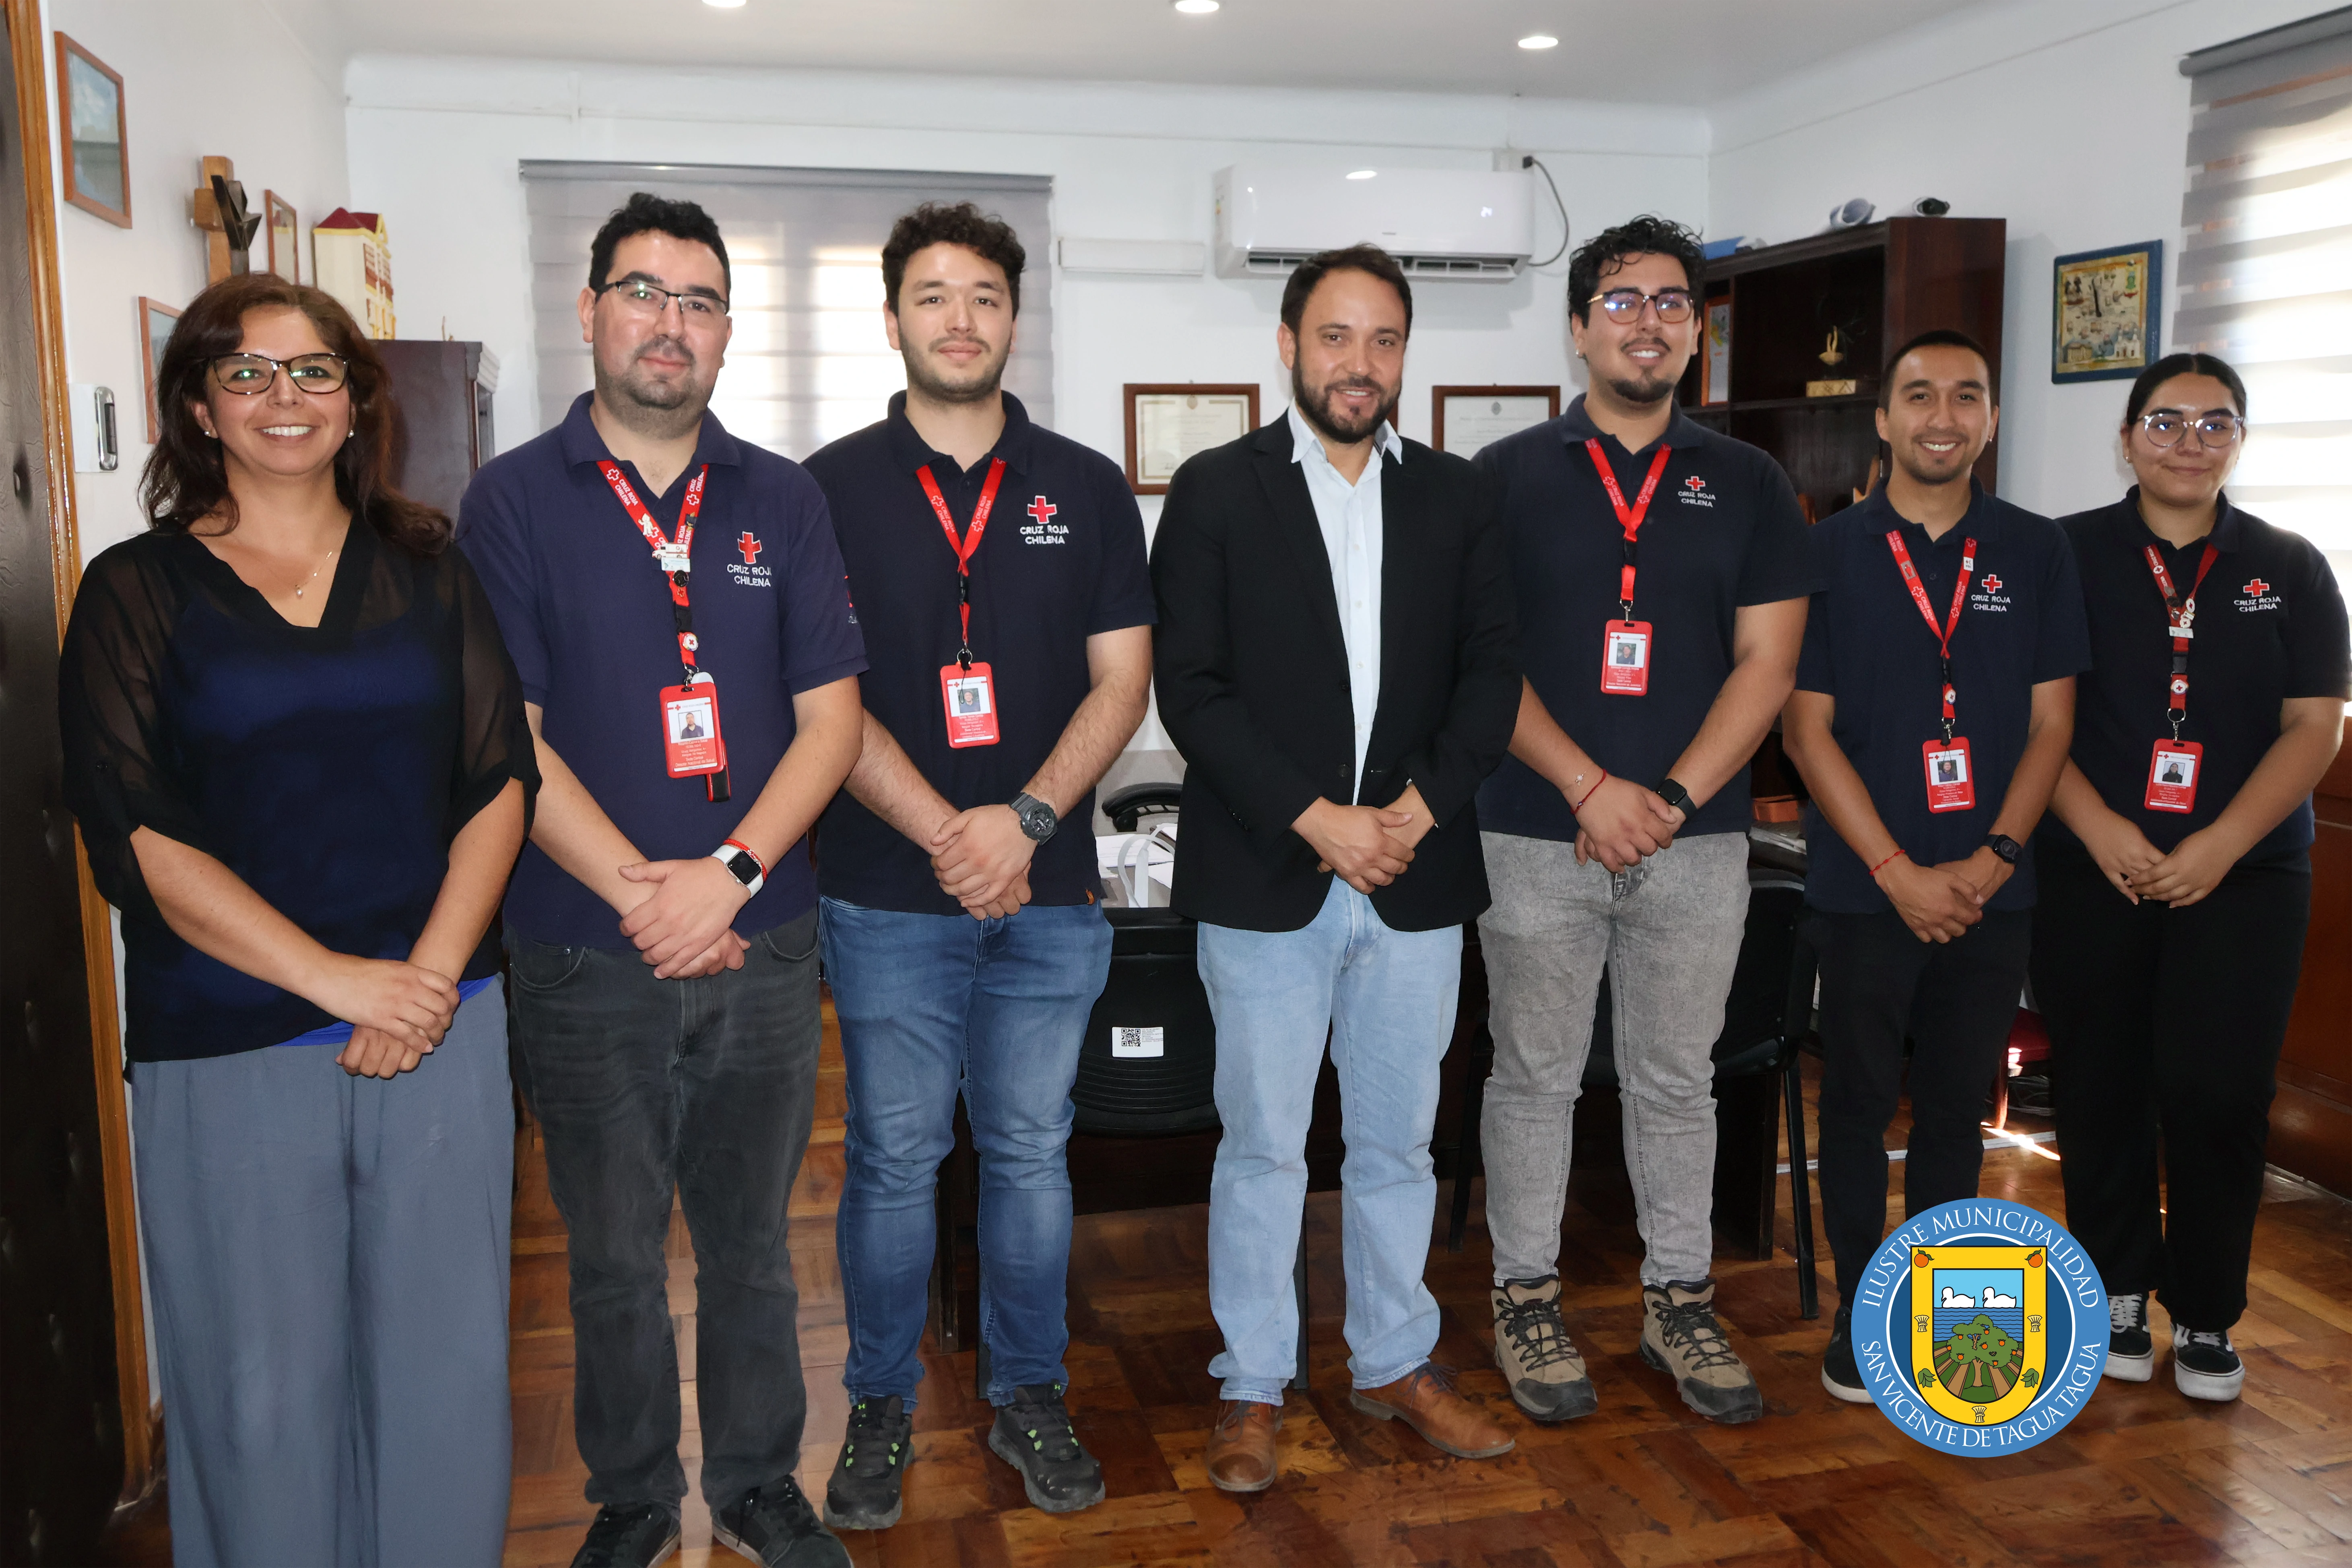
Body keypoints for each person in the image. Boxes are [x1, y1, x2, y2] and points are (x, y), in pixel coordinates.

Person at [57, 274, 536, 1568]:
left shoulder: (432, 572)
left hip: (443, 1026)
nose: (285, 397)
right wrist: (340, 983)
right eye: (249, 372)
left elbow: (500, 779)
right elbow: (137, 833)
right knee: (260, 1394)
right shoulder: (134, 593)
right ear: (199, 405)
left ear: (356, 400)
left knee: (443, 1376)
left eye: (315, 370)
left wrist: (423, 981)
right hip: (230, 1041)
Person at [458, 193, 866, 1568]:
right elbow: (505, 736)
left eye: (697, 301)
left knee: (756, 1243)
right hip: (583, 948)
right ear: (588, 312)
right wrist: (652, 894)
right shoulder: (510, 499)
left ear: (727, 333)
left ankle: (759, 1483)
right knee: (616, 1256)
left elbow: (832, 722)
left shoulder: (783, 497)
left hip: (762, 942)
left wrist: (731, 877)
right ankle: (633, 1496)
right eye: (642, 292)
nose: (668, 323)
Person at [801, 202, 1153, 1529]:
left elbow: (1124, 683)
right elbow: (816, 690)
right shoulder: (820, 488)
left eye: (986, 297)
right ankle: (881, 1405)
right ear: (892, 319)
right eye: (934, 297)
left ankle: (1027, 1395)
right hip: (885, 893)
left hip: (1050, 894)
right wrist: (952, 835)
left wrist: (1027, 822)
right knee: (892, 1159)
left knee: (1028, 1153)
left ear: (1015, 317)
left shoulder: (1083, 485)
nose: (961, 320)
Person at [1151, 244, 1519, 1492]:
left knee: (1398, 1144)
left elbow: (1491, 679)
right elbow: (1190, 690)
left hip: (1416, 877)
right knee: (1260, 1145)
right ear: (1286, 345)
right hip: (1269, 876)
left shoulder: (1460, 500)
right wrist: (1321, 819)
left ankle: (1393, 1360)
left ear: (1406, 355)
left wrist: (1410, 814)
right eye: (1335, 337)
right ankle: (1251, 1385)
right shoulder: (1214, 491)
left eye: (1384, 341)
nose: (1360, 364)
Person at [1471, 216, 1813, 1427]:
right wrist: (1584, 785)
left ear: (1694, 334)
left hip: (1697, 840)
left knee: (1677, 1082)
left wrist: (1664, 798)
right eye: (1622, 301)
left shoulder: (1750, 483)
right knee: (1535, 1080)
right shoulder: (1503, 477)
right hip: (1529, 828)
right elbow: (1481, 660)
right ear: (1576, 328)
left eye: (1673, 303)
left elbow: (1767, 663)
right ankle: (1525, 1296)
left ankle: (1680, 1298)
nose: (1650, 320)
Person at [1781, 329, 2089, 1402]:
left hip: (1991, 888)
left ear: (1992, 419)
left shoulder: (2035, 550)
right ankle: (1862, 1317)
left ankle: (1948, 1319)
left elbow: (2053, 723)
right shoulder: (1823, 552)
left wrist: (1996, 856)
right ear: (1883, 418)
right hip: (1866, 890)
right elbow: (1805, 728)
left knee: (1961, 1110)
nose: (1942, 417)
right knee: (1859, 1102)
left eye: (1965, 397)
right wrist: (1895, 870)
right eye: (1918, 395)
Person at [2033, 354, 2347, 1401]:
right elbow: (2032, 720)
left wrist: (2218, 845)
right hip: (2094, 866)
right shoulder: (2062, 555)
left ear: (2238, 442)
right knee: (2099, 1083)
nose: (2187, 440)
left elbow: (2313, 727)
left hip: (2245, 877)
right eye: (2164, 421)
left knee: (2218, 1093)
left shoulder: (2291, 566)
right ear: (2123, 438)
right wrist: (2099, 827)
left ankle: (2206, 1310)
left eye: (2214, 424)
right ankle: (2114, 1290)